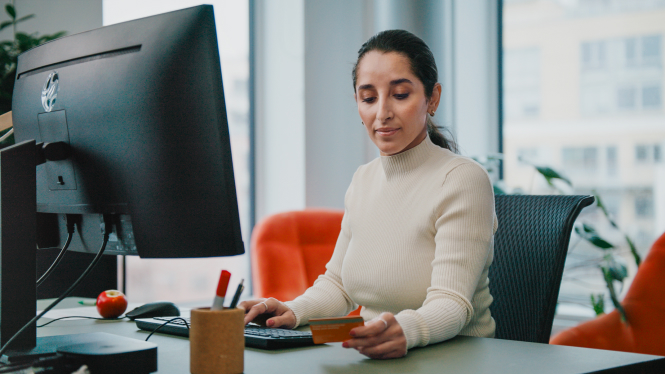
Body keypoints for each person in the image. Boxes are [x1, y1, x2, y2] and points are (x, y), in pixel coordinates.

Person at [240, 29, 498, 359]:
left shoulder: (462, 180)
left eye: (400, 95)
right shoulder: (364, 179)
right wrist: (291, 311)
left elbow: (452, 303)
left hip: (454, 360)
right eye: (369, 98)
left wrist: (405, 331)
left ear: (433, 98)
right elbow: (339, 285)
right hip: (377, 358)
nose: (382, 113)